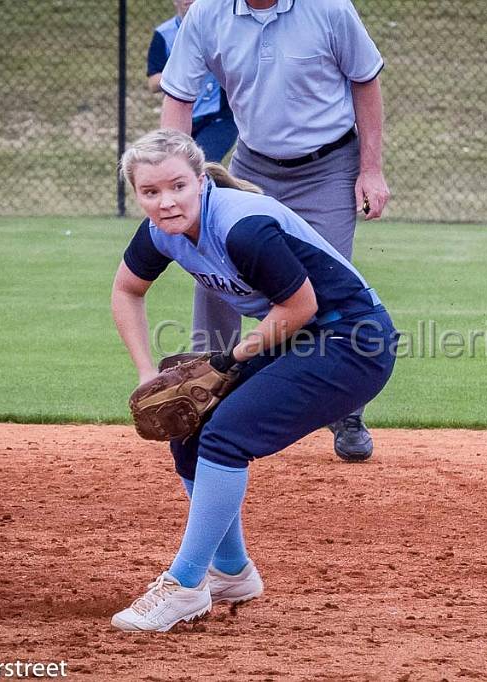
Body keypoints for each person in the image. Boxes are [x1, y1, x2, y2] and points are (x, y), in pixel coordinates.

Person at [109, 130, 397, 631]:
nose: (166, 201)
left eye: (178, 185)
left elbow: (300, 305)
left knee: (227, 434)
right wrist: (146, 372)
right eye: (150, 192)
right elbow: (126, 290)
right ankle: (232, 571)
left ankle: (185, 584)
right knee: (192, 432)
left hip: (355, 341)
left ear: (201, 181)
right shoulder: (160, 232)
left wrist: (232, 358)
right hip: (302, 336)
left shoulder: (242, 226)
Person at [158, 0, 391, 462]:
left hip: (327, 166)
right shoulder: (208, 13)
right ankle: (206, 389)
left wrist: (371, 170)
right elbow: (178, 98)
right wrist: (173, 178)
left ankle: (347, 410)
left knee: (323, 291)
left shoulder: (329, 8)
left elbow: (366, 80)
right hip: (251, 163)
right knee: (212, 274)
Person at [146, 0, 237, 163]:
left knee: (204, 165)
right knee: (177, 165)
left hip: (218, 117)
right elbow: (153, 82)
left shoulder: (220, 26)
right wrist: (186, 71)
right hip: (182, 115)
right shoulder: (164, 34)